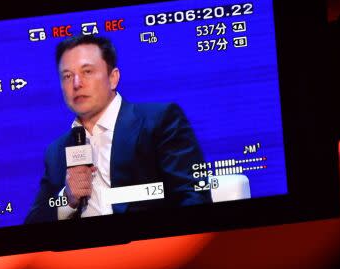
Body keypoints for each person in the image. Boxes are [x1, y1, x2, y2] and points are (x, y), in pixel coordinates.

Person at [24, 34, 211, 224]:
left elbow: (193, 195)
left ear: (113, 78)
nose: (76, 83)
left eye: (87, 71)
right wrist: (67, 200)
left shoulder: (159, 121)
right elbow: (33, 223)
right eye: (67, 76)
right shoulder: (57, 151)